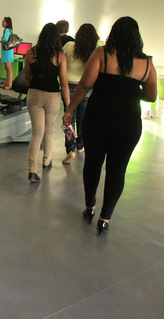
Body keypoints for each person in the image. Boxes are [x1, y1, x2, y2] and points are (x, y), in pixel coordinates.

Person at [63, 17, 157, 236]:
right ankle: (105, 218)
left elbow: (85, 85)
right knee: (117, 170)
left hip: (97, 120)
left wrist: (70, 109)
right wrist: (130, 90)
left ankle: (90, 206)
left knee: (93, 163)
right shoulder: (146, 64)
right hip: (128, 124)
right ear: (137, 36)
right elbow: (151, 96)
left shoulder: (102, 54)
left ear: (113, 33)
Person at [24, 23, 70, 183]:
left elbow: (27, 77)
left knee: (37, 133)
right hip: (53, 96)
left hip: (34, 94)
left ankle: (32, 170)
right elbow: (64, 83)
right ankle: (46, 161)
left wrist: (35, 87)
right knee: (48, 131)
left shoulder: (30, 53)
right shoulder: (60, 56)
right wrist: (69, 106)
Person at [61, 23, 99, 162]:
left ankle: (70, 148)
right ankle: (81, 145)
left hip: (69, 87)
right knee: (83, 118)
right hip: (86, 88)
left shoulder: (68, 46)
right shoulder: (95, 49)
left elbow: (61, 62)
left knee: (68, 118)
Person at [0, 17, 15, 89]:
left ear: (7, 23)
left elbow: (5, 39)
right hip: (6, 52)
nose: (2, 23)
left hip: (7, 52)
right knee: (7, 68)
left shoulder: (7, 30)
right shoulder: (7, 30)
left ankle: (9, 85)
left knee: (9, 69)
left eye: (3, 21)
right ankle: (6, 83)